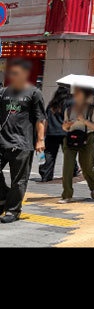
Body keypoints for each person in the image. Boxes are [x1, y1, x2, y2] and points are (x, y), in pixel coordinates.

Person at [0, 59, 46, 222]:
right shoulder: (4, 92)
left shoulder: (34, 93)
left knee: (18, 179)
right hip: (2, 141)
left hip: (23, 142)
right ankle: (4, 196)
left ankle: (13, 210)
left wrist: (40, 140)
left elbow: (41, 118)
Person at [59, 87, 94, 204]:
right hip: (71, 138)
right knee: (68, 167)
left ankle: (93, 185)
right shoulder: (69, 110)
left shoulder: (92, 110)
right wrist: (68, 124)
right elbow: (64, 127)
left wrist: (83, 120)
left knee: (86, 166)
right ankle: (67, 195)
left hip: (87, 138)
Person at [38, 86, 78, 183]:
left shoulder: (52, 103)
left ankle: (46, 175)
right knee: (69, 154)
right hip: (66, 132)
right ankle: (73, 171)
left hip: (51, 133)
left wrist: (43, 134)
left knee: (49, 155)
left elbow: (45, 119)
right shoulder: (71, 101)